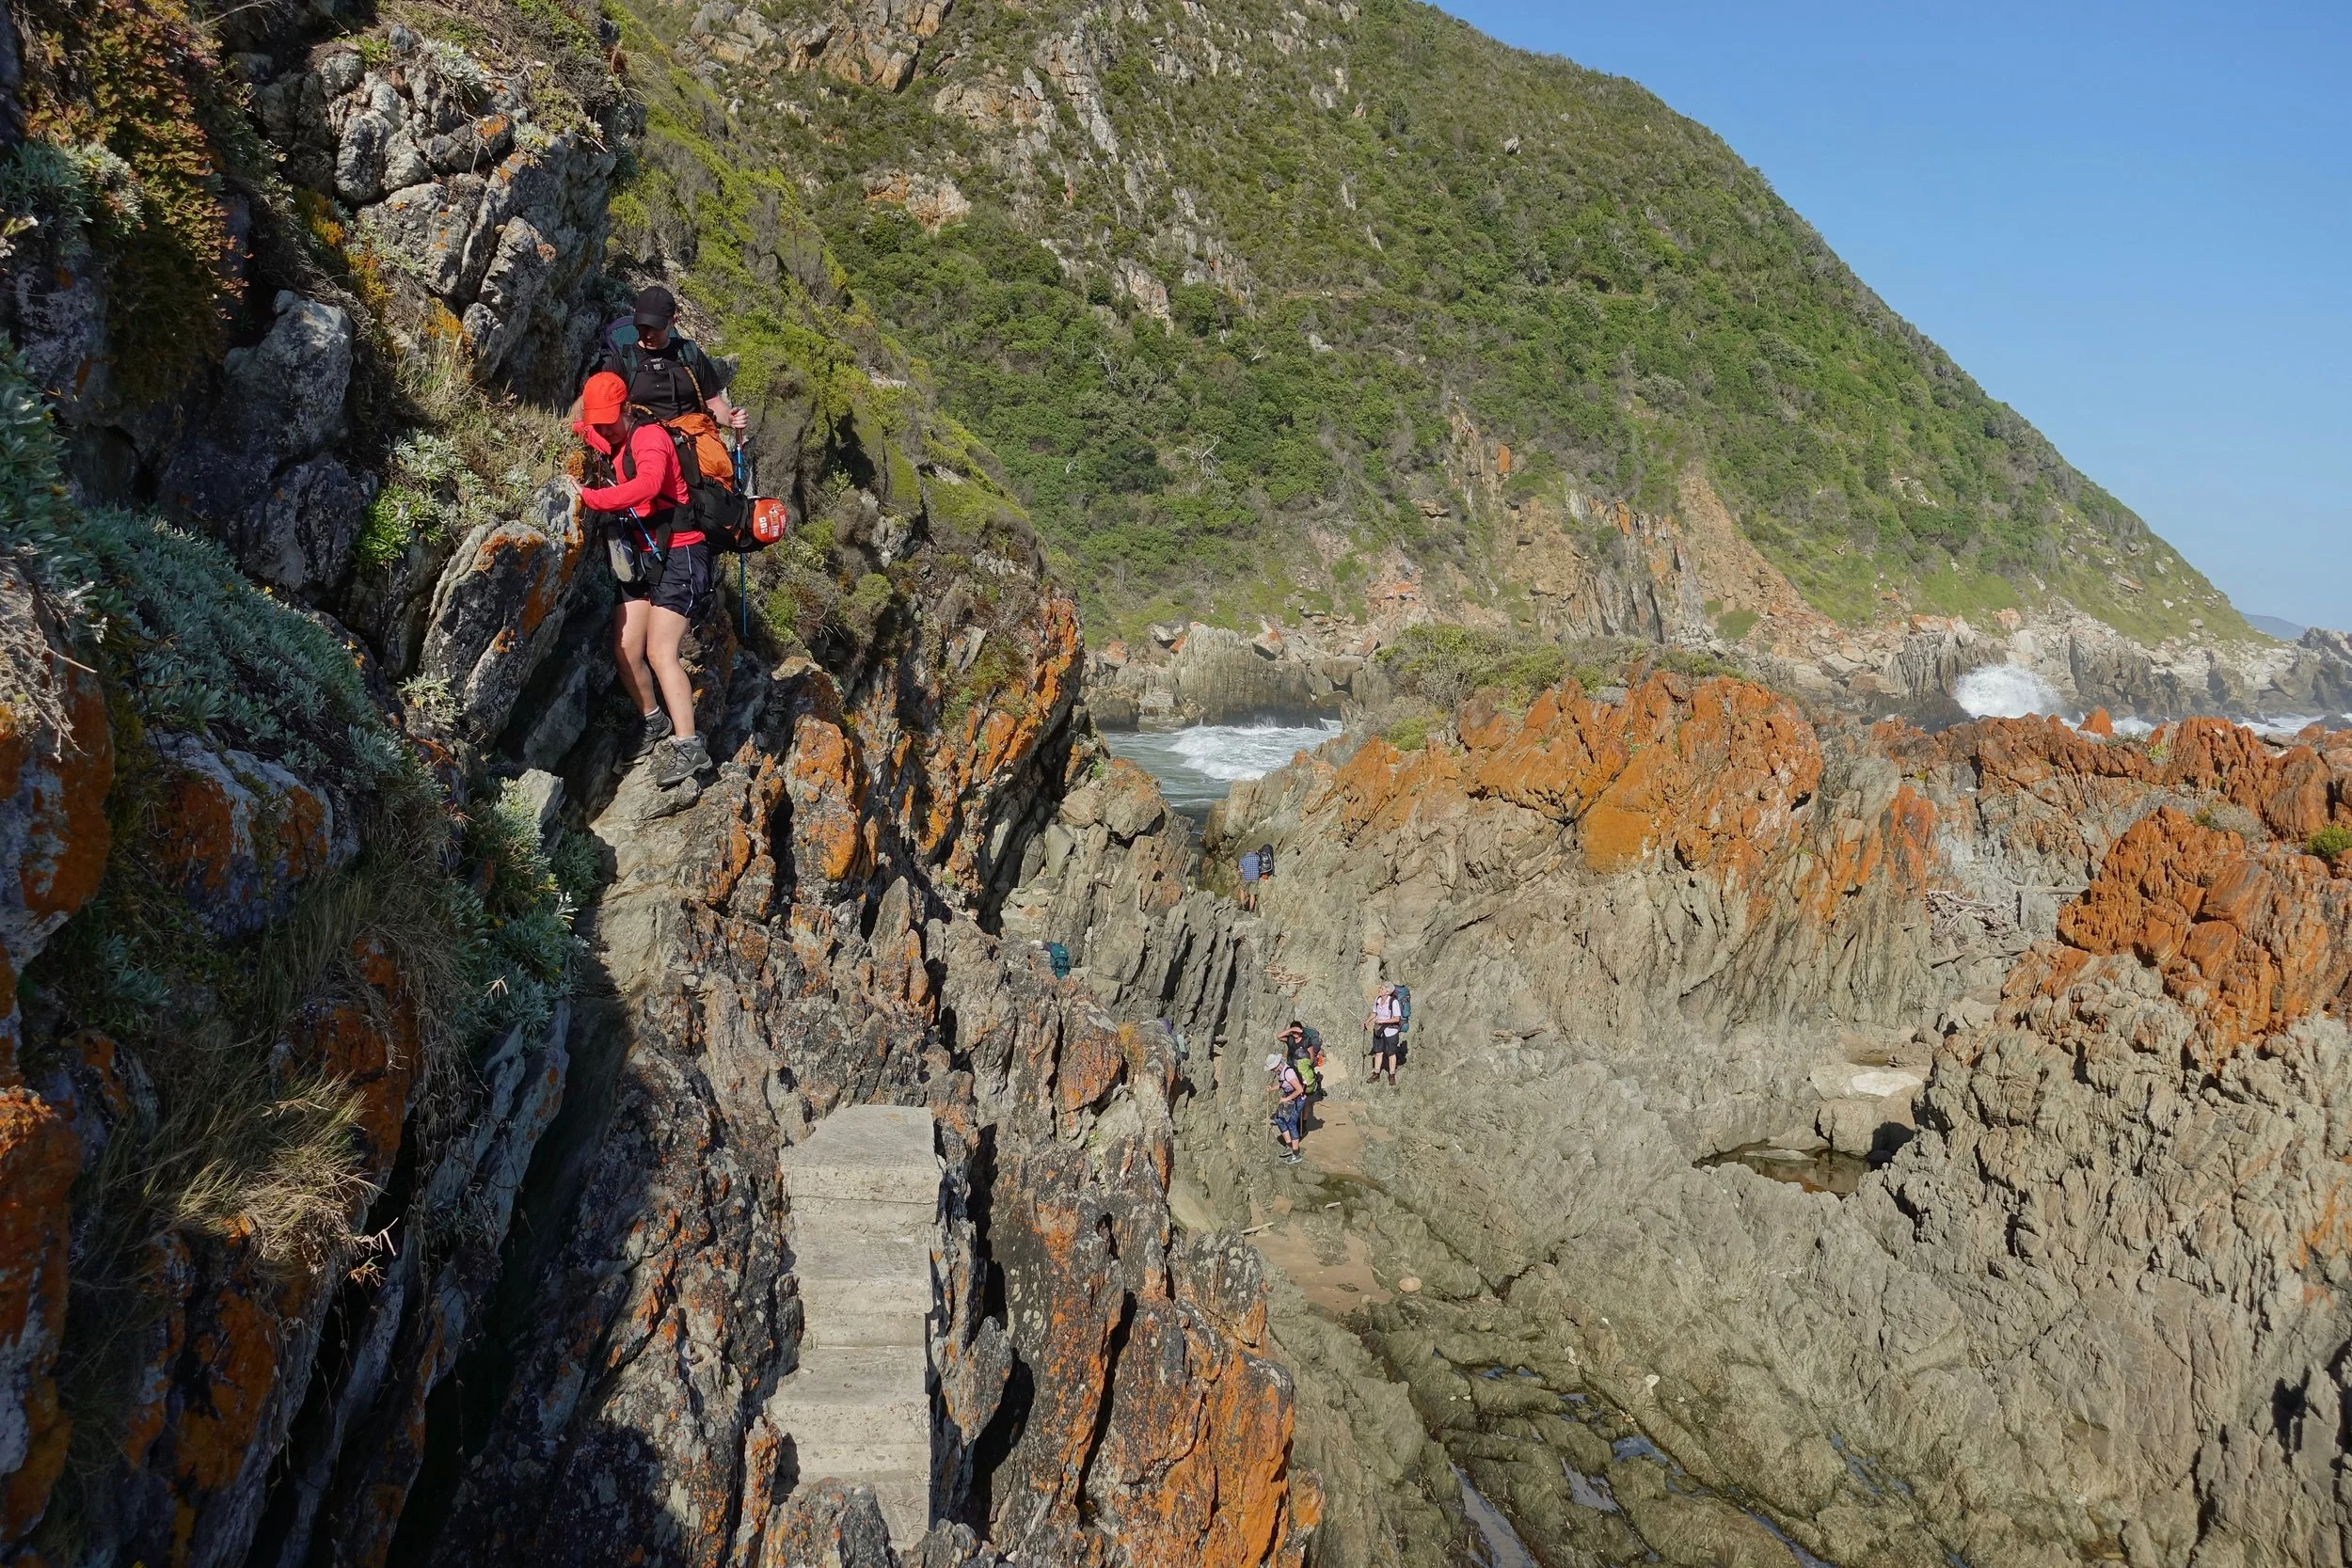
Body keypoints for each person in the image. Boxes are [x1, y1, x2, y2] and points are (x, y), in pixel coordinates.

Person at [573, 371, 712, 790]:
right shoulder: (617, 438)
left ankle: (690, 746)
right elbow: (594, 435)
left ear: (625, 409)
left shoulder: (650, 438)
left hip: (681, 555)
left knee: (660, 651)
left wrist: (590, 498)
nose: (603, 429)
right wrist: (582, 428)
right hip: (646, 557)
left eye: (608, 421)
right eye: (598, 422)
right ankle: (654, 720)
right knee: (626, 649)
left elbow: (649, 485)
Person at [571, 284, 750, 432]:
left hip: (691, 438)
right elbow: (591, 397)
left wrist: (729, 418)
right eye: (643, 326)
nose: (648, 334)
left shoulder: (689, 353)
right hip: (645, 443)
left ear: (673, 321)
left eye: (656, 327)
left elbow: (712, 401)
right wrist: (570, 424)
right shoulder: (624, 360)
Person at [1265, 1053, 1306, 1164]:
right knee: (1279, 1119)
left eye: (1272, 1068)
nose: (1272, 1071)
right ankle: (1289, 1145)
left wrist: (1286, 1099)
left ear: (1277, 1065)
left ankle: (1296, 1154)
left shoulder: (1288, 1072)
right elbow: (1283, 1084)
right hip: (1290, 1099)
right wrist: (1272, 1089)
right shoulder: (1281, 1072)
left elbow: (1299, 1090)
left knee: (1291, 1123)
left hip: (1298, 1100)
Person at [1367, 982, 1405, 1087]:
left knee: (1391, 1053)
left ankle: (1392, 1075)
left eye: (1382, 989)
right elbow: (1374, 1012)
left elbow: (1397, 1019)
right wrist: (1367, 1021)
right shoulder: (1378, 1000)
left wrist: (1382, 1021)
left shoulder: (1393, 1002)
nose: (1380, 990)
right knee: (1378, 1052)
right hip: (1379, 1030)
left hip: (1391, 1031)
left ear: (1388, 992)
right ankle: (1376, 1073)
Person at [1238, 846, 1261, 911]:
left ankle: (1243, 905)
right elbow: (1259, 865)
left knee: (1242, 889)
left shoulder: (1243, 859)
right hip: (1255, 877)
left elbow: (1241, 870)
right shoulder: (1257, 857)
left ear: (1246, 853)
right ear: (1253, 852)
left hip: (1246, 877)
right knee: (1252, 893)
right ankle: (1251, 909)